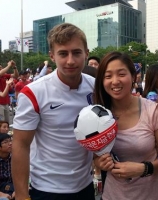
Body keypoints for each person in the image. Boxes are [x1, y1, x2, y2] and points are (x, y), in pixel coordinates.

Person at [12, 23, 97, 200]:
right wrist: (21, 194)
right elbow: (20, 145)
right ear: (52, 56)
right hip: (47, 189)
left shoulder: (95, 87)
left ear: (86, 53)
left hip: (85, 185)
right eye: (63, 53)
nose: (71, 60)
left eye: (77, 52)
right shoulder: (34, 92)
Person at [93, 51, 158, 200]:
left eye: (121, 74)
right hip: (112, 196)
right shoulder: (96, 115)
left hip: (152, 195)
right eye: (108, 76)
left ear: (133, 77)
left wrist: (144, 168)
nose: (115, 81)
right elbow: (95, 156)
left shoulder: (153, 111)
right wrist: (99, 162)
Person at [0, 134, 14, 200]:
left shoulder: (15, 158)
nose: (10, 144)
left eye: (10, 141)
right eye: (6, 142)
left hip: (13, 188)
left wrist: (19, 191)